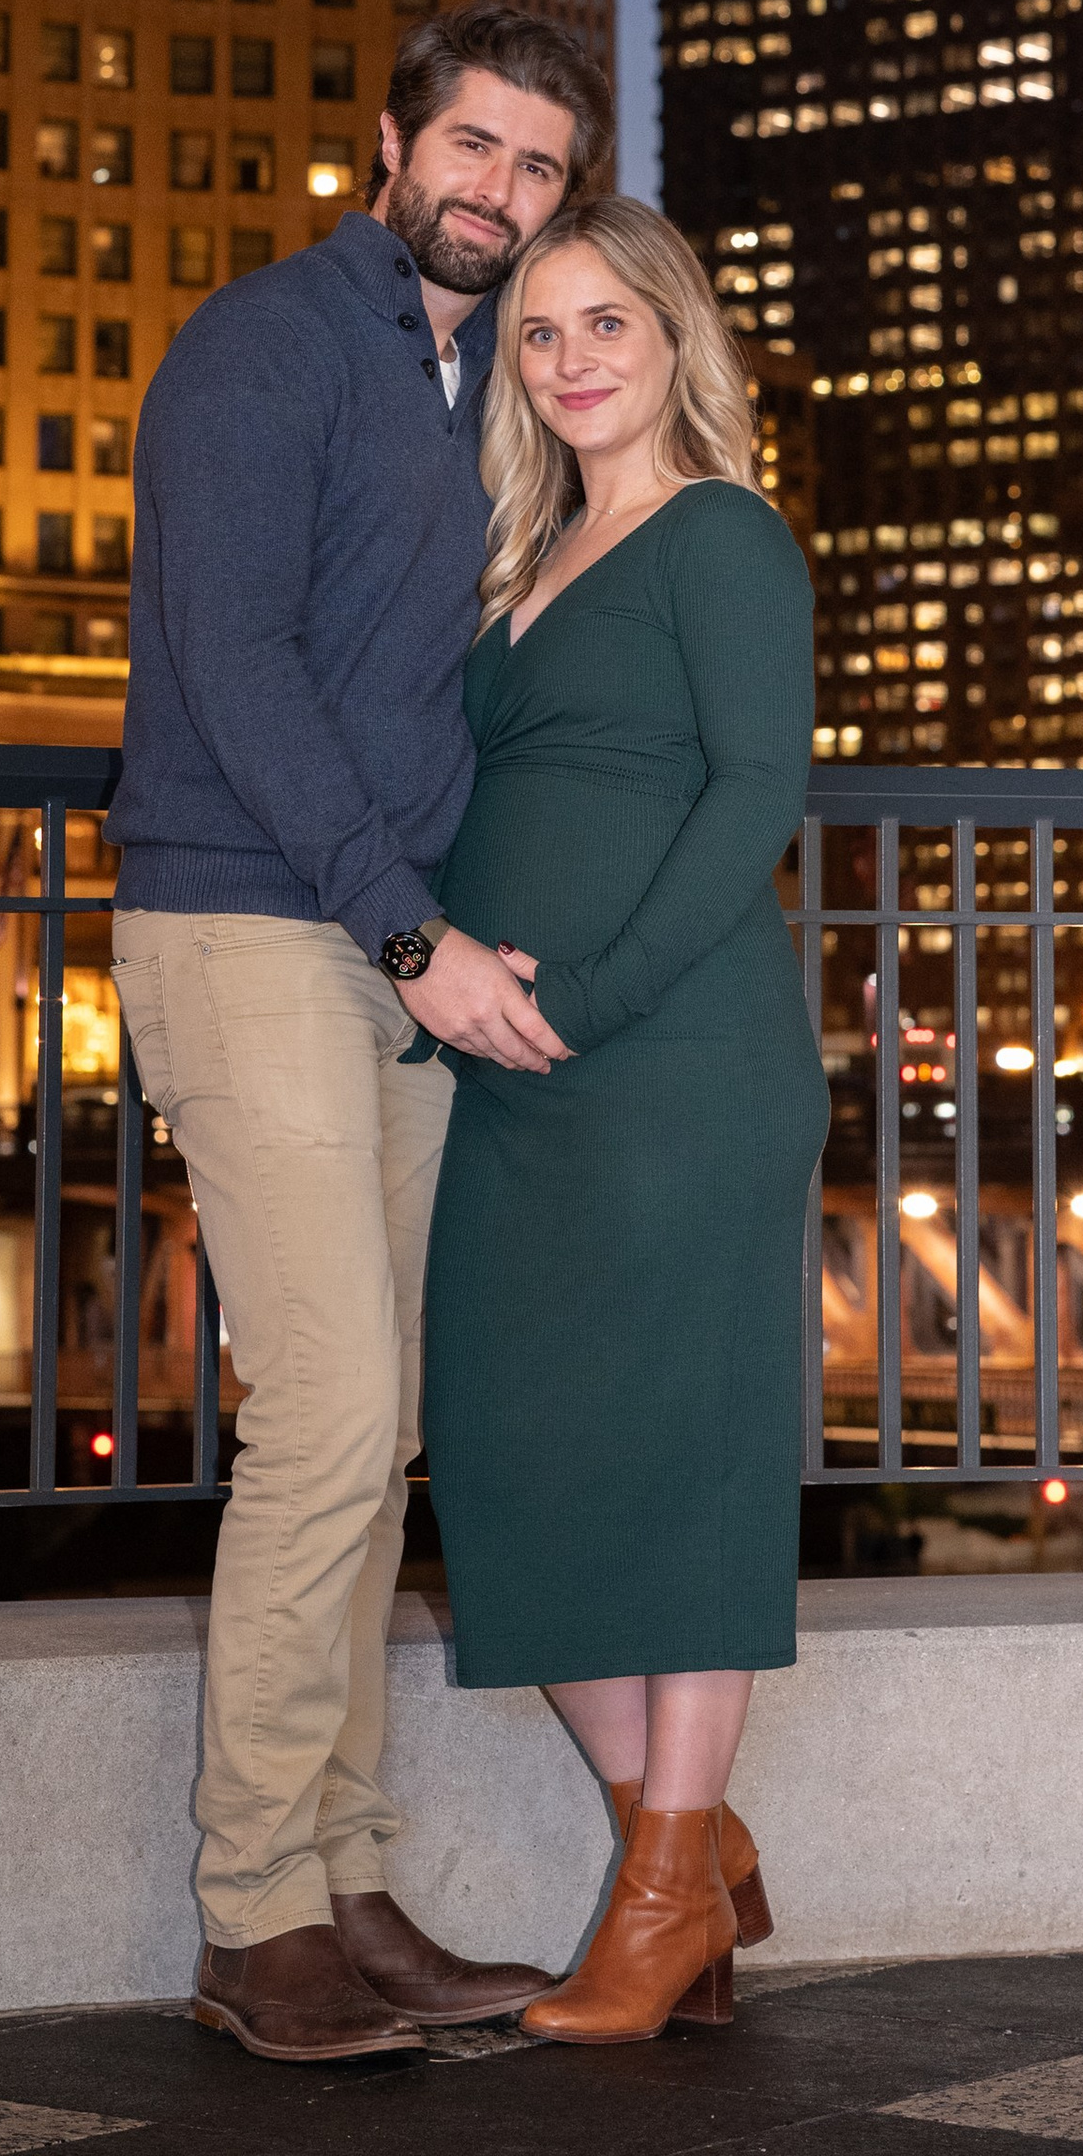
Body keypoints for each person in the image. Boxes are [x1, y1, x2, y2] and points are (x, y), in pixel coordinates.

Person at [109, 5, 615, 2065]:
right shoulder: (262, 349)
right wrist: (406, 930)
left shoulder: (491, 377)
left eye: (536, 170)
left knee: (375, 1423)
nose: (494, 192)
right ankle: (251, 1918)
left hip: (386, 936)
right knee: (319, 1418)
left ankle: (343, 1881)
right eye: (470, 148)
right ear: (389, 141)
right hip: (250, 920)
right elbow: (226, 659)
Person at [420, 194, 824, 2047]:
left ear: (675, 339)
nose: (573, 360)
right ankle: (692, 1839)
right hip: (514, 1071)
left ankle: (659, 1904)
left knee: (682, 1464)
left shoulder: (722, 536)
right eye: (539, 334)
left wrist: (577, 999)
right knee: (506, 1468)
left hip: (674, 1065)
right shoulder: (529, 554)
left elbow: (756, 797)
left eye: (606, 325)